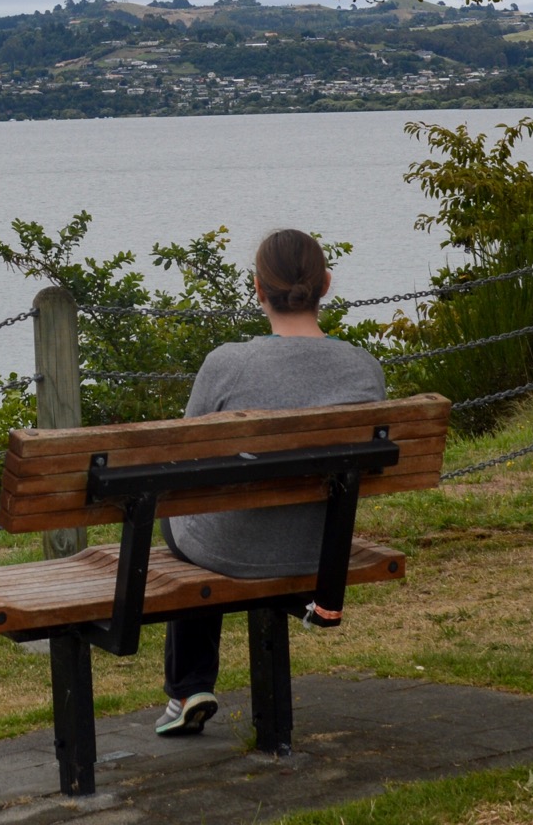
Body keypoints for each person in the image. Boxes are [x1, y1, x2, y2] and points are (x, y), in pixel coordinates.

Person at [155, 228, 385, 738]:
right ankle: (190, 689)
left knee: (182, 518)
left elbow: (180, 454)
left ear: (258, 288)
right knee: (200, 519)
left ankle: (187, 688)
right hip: (322, 551)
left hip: (231, 550)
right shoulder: (363, 368)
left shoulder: (228, 363)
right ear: (326, 284)